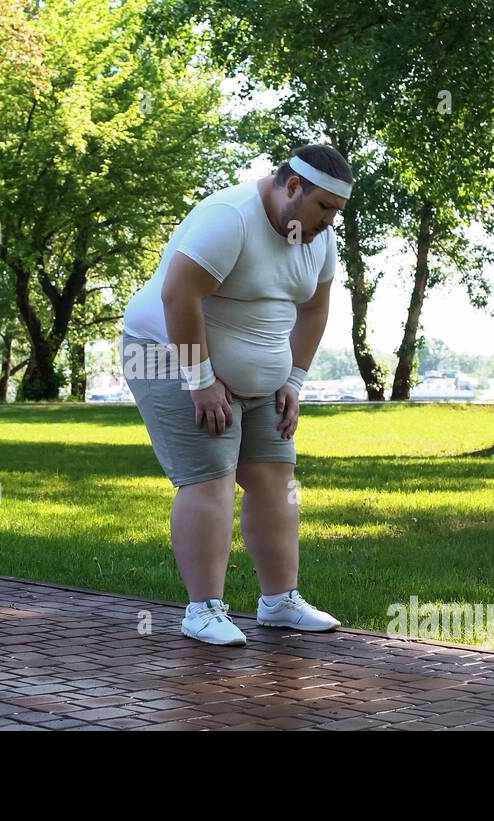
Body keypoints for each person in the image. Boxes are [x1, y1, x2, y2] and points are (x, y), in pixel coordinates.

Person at [120, 145, 349, 646]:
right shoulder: (230, 218)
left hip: (260, 374)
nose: (330, 221)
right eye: (324, 207)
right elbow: (179, 295)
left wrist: (294, 381)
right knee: (212, 476)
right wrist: (201, 381)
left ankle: (280, 602)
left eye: (338, 211)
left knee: (274, 477)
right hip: (167, 354)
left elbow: (313, 312)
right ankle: (203, 610)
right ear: (293, 187)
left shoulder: (318, 239)